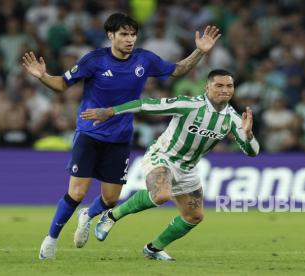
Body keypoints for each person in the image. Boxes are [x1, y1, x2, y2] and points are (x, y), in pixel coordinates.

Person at [21, 13, 221, 260]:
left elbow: (178, 70)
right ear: (111, 36)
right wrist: (42, 76)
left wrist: (199, 51)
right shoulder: (94, 61)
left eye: (133, 34)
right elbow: (62, 84)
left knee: (111, 199)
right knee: (77, 192)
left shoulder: (144, 59)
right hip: (90, 132)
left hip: (120, 138)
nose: (130, 39)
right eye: (124, 34)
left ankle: (87, 215)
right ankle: (51, 240)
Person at [80, 69, 259, 260]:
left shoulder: (233, 118)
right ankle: (111, 216)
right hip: (162, 156)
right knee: (162, 194)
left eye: (229, 86)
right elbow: (145, 105)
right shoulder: (188, 104)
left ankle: (153, 249)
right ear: (207, 87)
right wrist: (110, 111)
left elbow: (253, 152)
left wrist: (248, 136)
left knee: (194, 216)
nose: (225, 90)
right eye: (219, 85)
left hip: (187, 169)